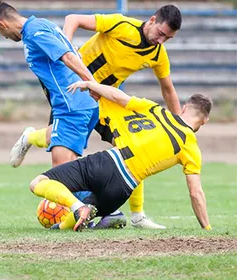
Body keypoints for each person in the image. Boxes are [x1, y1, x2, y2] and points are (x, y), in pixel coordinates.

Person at [12, 5, 183, 229]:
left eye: (167, 38)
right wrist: (68, 45)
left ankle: (137, 215)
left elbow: (168, 89)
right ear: (151, 20)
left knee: (133, 149)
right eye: (161, 34)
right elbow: (72, 18)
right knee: (62, 161)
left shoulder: (158, 54)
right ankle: (31, 138)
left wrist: (181, 125)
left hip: (106, 101)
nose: (161, 41)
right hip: (74, 90)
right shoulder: (122, 25)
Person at [29, 79, 211, 232]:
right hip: (122, 190)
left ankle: (78, 206)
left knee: (38, 182)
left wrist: (90, 84)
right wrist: (207, 229)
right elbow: (196, 192)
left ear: (185, 107)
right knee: (81, 217)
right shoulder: (191, 147)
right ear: (204, 121)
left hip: (107, 164)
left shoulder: (156, 110)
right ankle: (69, 222)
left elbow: (117, 96)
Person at [0, 1, 99, 169]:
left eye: (0, 31)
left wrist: (92, 84)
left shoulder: (34, 33)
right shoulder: (42, 23)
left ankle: (30, 137)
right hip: (83, 104)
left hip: (71, 106)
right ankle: (31, 137)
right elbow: (69, 51)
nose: (4, 36)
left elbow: (68, 57)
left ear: (2, 24)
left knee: (61, 178)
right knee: (71, 175)